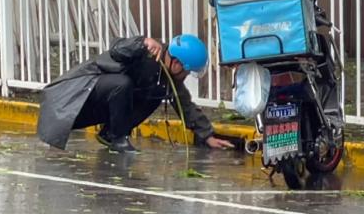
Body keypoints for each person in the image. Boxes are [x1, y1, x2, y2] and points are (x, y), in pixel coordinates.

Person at [37, 34, 235, 153]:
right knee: (121, 83)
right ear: (176, 63)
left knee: (154, 96)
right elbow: (116, 48)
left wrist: (207, 135)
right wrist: (142, 42)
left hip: (93, 107)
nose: (185, 77)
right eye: (186, 71)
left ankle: (109, 135)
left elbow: (183, 103)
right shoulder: (147, 52)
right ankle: (118, 138)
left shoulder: (165, 79)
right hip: (71, 101)